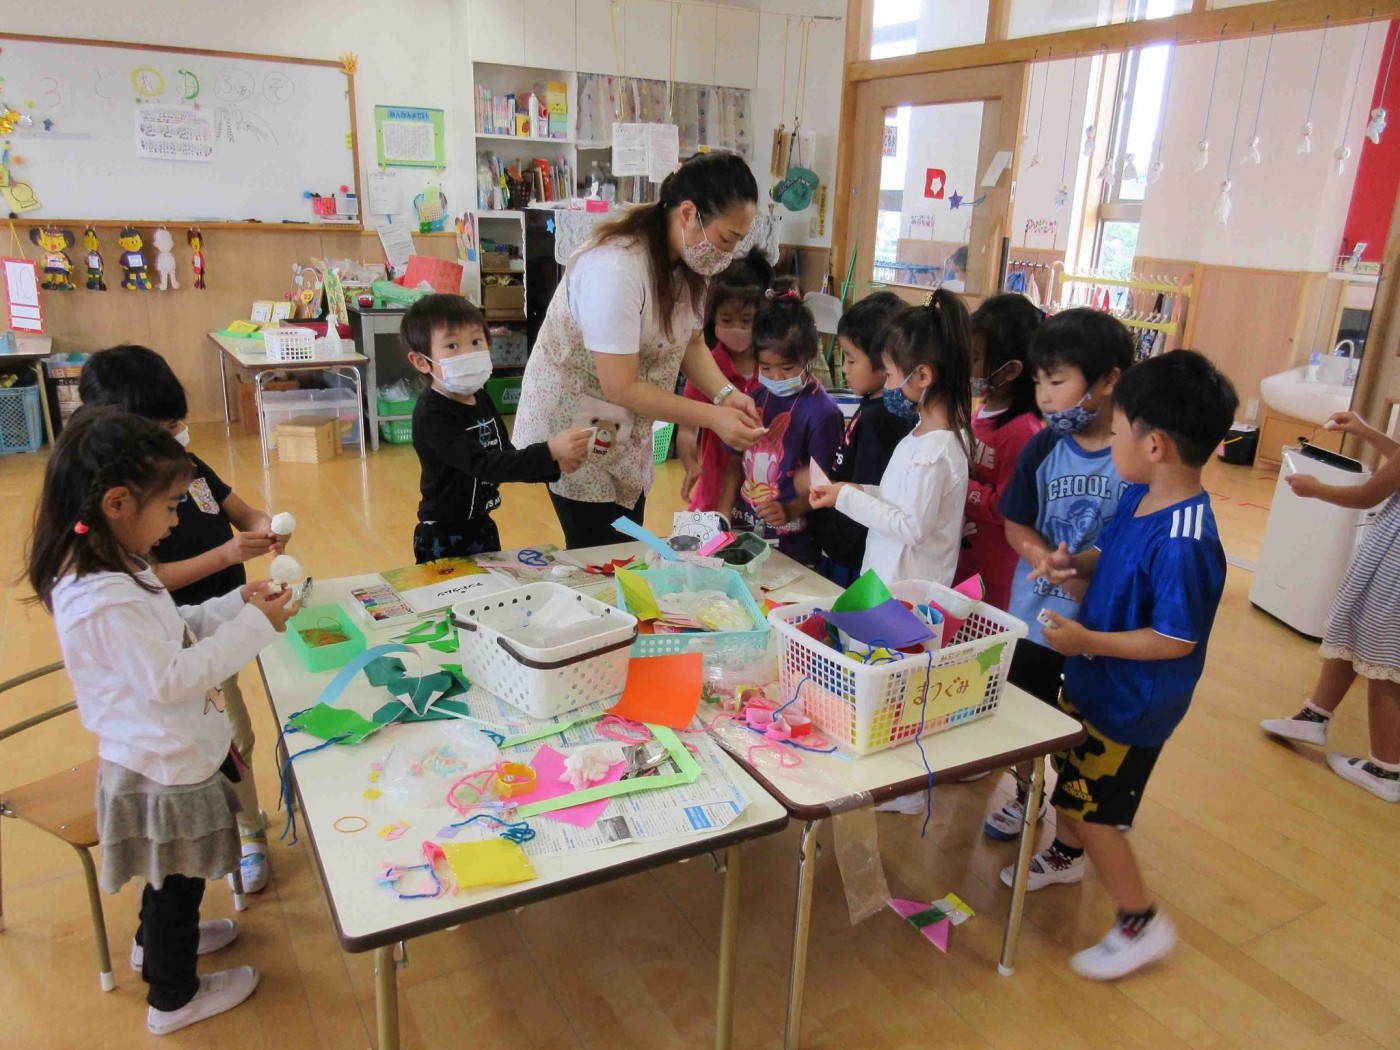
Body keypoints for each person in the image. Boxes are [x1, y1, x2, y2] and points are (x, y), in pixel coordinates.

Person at [26, 410, 297, 1034]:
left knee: (169, 875)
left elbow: (172, 632)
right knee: (176, 882)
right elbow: (171, 677)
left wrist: (236, 604)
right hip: (159, 763)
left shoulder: (118, 562)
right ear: (118, 502)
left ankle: (156, 947)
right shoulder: (100, 595)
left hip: (166, 748)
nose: (178, 520)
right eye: (172, 506)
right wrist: (259, 628)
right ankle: (173, 999)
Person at [1007, 350, 1237, 980]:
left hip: (1133, 699)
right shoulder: (1139, 495)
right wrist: (1074, 565)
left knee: (1094, 808)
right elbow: (1112, 554)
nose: (1111, 442)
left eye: (1119, 430)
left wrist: (1089, 643)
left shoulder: (1188, 539)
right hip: (1096, 677)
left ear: (1155, 443)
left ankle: (1140, 919)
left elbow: (1174, 640)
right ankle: (1069, 856)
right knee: (1075, 777)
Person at [77, 344, 286, 894]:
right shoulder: (115, 527)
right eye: (161, 425)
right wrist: (228, 558)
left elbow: (243, 512)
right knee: (220, 740)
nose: (176, 433)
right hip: (190, 649)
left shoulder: (186, 470)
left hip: (211, 627)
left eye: (177, 422)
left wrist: (265, 530)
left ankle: (248, 832)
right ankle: (234, 838)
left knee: (232, 735)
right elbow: (153, 582)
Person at [513, 151, 766, 549]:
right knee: (597, 550)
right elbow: (621, 387)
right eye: (724, 239)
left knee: (625, 542)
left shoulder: (685, 263)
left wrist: (727, 394)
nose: (726, 254)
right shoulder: (616, 270)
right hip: (575, 418)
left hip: (622, 425)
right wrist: (714, 417)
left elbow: (691, 341)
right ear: (687, 213)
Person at [982, 309, 1134, 841]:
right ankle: (1027, 797)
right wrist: (1041, 555)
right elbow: (1015, 524)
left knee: (1090, 726)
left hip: (1104, 625)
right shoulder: (1043, 447)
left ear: (1109, 379)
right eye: (1040, 383)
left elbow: (1138, 541)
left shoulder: (1134, 456)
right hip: (1036, 614)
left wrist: (1085, 568)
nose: (1045, 397)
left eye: (1057, 382)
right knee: (1025, 712)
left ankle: (1080, 817)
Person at [1260, 409, 1400, 803]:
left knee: (1385, 660)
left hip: (1395, 558)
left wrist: (1314, 488)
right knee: (1357, 626)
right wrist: (1366, 431)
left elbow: (1368, 493)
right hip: (1389, 551)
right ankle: (1314, 715)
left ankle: (1386, 769)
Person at [402, 293, 592, 562]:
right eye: (453, 346)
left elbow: (504, 455)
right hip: (443, 537)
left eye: (476, 341)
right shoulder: (432, 414)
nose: (469, 352)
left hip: (482, 525)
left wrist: (554, 465)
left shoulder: (479, 396)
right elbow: (485, 464)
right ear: (422, 361)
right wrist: (549, 449)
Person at [809, 289, 973, 586]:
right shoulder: (920, 434)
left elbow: (910, 526)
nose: (886, 386)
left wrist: (846, 497)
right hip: (886, 586)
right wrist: (855, 489)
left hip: (908, 598)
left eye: (889, 376)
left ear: (922, 376)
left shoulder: (936, 451)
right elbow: (897, 500)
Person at [715, 281, 844, 565]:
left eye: (787, 368)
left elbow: (823, 486)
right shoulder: (757, 395)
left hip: (793, 546)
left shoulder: (823, 413)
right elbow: (736, 461)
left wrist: (789, 511)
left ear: (810, 359)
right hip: (744, 530)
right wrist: (722, 516)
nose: (775, 378)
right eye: (766, 368)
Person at [806, 291, 910, 585]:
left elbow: (869, 495)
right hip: (842, 549)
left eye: (851, 360)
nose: (845, 369)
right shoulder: (872, 405)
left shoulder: (882, 419)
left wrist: (836, 546)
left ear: (885, 362)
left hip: (852, 559)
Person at [957, 294, 1044, 610]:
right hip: (964, 558)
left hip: (995, 575)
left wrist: (956, 484)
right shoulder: (979, 411)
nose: (966, 363)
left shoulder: (1024, 432)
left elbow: (1009, 505)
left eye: (976, 356)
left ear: (1009, 371)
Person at [678, 248, 772, 511]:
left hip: (765, 491)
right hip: (715, 487)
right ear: (712, 319)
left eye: (747, 321)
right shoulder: (706, 367)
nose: (737, 329)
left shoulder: (774, 367)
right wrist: (691, 464)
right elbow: (687, 429)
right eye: (726, 320)